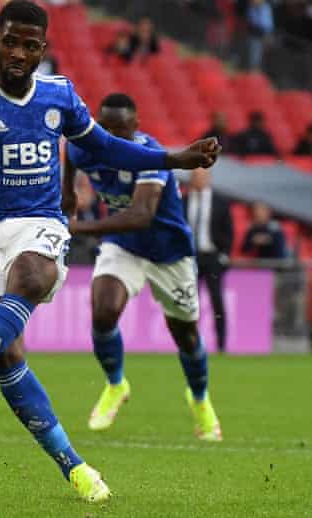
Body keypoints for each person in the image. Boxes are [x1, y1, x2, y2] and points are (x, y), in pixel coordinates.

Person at [0, 0, 220, 503]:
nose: (18, 53)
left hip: (40, 222)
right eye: (10, 41)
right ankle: (73, 465)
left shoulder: (60, 96)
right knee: (6, 354)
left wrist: (171, 157)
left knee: (33, 276)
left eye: (29, 46)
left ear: (42, 50)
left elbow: (104, 147)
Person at [63, 93, 222, 441]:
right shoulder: (84, 147)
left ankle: (199, 399)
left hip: (170, 254)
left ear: (136, 126)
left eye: (121, 128)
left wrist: (78, 228)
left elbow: (141, 215)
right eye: (106, 127)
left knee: (187, 336)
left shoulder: (150, 155)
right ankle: (116, 385)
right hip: (124, 247)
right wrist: (68, 194)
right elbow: (69, 156)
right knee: (103, 310)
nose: (113, 135)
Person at [184, 169, 233, 353]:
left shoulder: (220, 203)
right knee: (188, 303)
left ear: (209, 179)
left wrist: (224, 256)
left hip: (212, 257)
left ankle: (221, 345)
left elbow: (228, 231)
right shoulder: (183, 202)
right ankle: (189, 343)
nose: (198, 180)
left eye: (202, 176)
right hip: (190, 258)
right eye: (195, 177)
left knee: (216, 302)